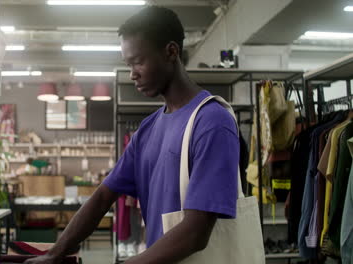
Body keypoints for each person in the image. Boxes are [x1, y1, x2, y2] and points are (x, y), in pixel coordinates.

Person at [25, 6, 239, 264]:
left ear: (171, 52)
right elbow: (104, 195)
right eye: (128, 64)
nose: (132, 74)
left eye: (138, 61)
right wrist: (54, 254)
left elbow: (196, 232)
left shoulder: (212, 122)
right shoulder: (148, 130)